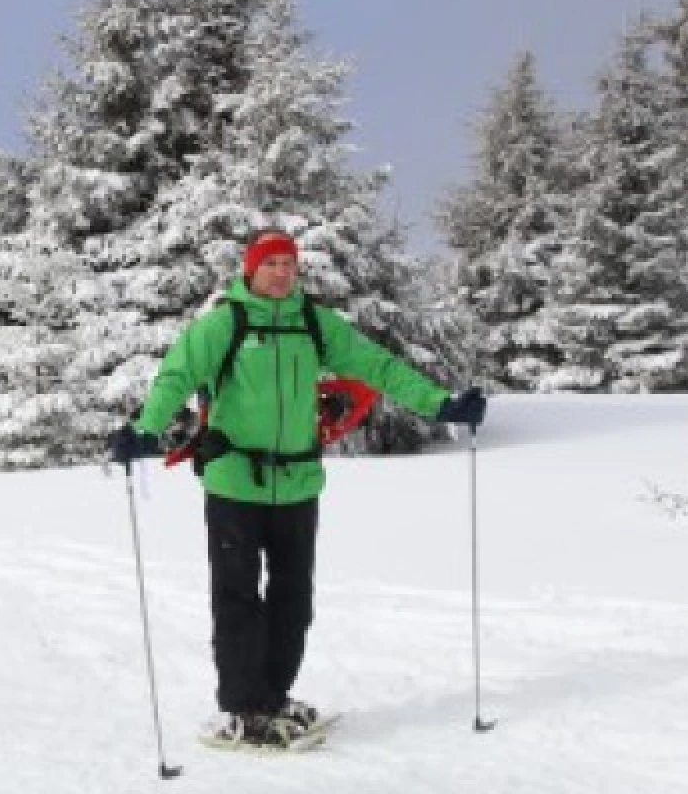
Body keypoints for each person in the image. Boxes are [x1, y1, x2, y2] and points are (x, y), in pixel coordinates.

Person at [110, 229, 486, 749]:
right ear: (251, 270)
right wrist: (146, 430)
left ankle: (275, 696)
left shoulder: (313, 323)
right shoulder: (226, 323)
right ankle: (245, 709)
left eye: (290, 263)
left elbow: (376, 365)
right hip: (234, 482)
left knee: (294, 598)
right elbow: (177, 375)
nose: (284, 273)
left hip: (297, 482)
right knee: (237, 597)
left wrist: (440, 403)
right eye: (273, 264)